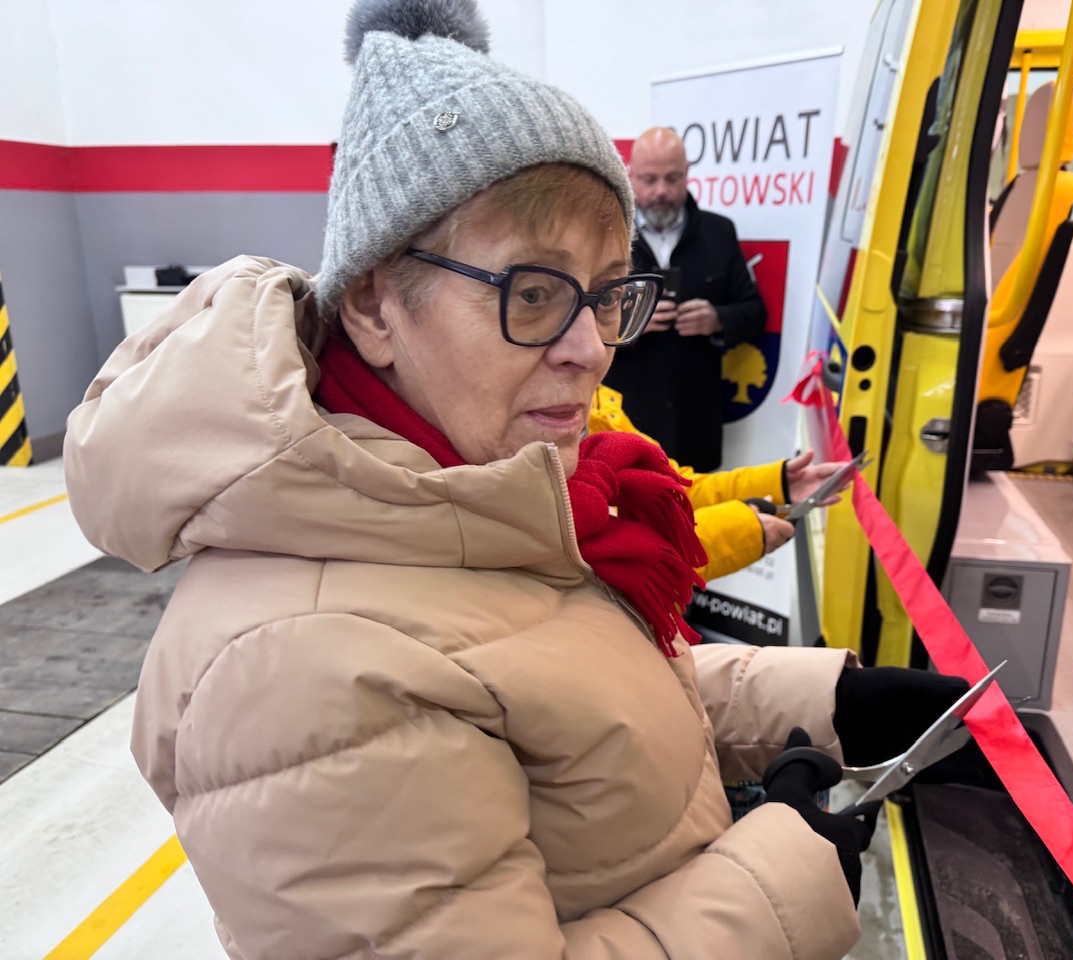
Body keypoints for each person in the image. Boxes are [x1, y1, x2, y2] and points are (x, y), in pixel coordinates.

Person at [64, 2, 966, 957]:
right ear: (373, 304)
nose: (592, 349)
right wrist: (786, 877)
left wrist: (824, 703)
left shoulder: (476, 497)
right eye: (533, 293)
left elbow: (564, 691)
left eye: (608, 295)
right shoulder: (304, 673)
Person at [603, 126, 766, 472]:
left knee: (703, 506)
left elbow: (754, 312)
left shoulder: (719, 232)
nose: (661, 190)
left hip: (697, 423)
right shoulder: (605, 234)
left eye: (672, 178)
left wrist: (717, 319)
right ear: (631, 176)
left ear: (688, 173)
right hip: (624, 422)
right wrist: (628, 324)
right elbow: (578, 316)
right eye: (649, 180)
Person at [590, 384, 842, 580]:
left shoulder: (595, 402)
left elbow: (672, 489)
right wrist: (744, 530)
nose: (595, 351)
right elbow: (617, 561)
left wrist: (779, 484)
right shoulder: (579, 409)